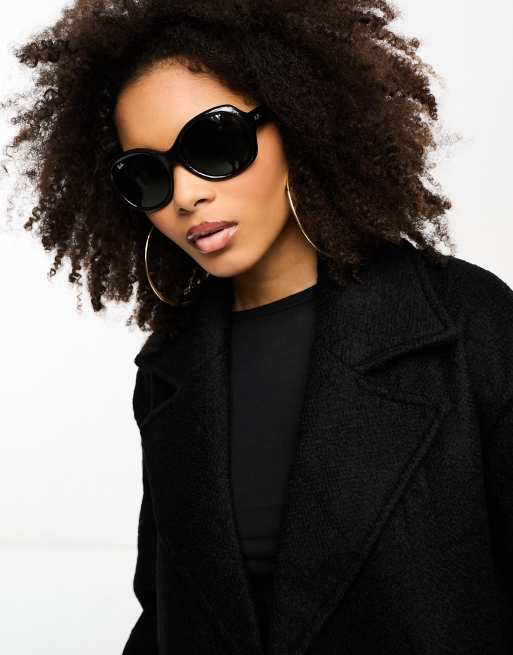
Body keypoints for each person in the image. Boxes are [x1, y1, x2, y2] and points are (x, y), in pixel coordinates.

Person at [3, 1, 513, 653]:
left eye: (213, 145)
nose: (185, 195)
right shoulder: (169, 369)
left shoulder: (467, 325)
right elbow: (163, 616)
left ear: (298, 118)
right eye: (148, 174)